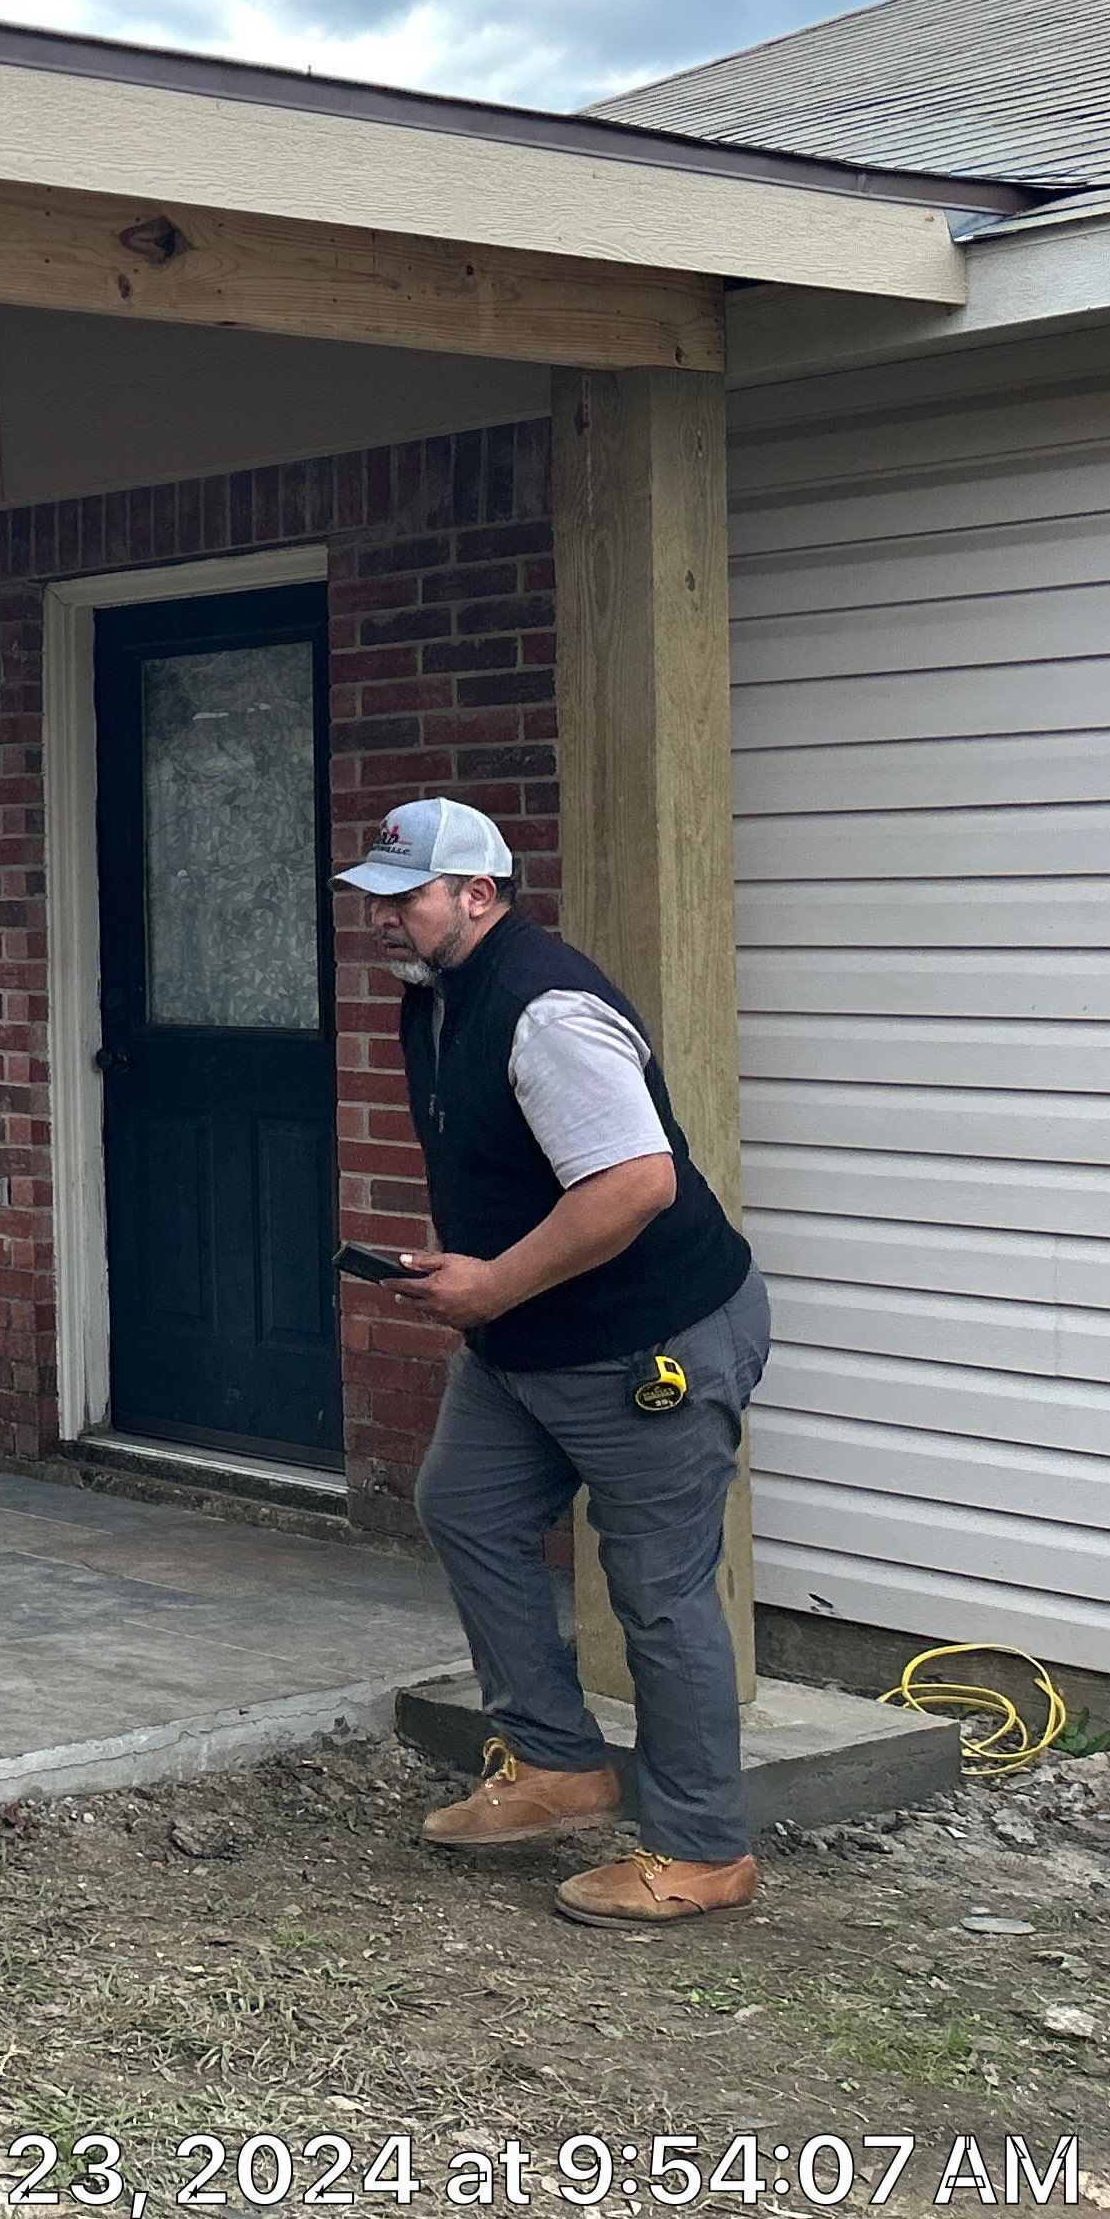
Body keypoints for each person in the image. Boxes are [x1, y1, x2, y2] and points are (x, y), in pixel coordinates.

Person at [335, 797, 772, 1928]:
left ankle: (703, 1850)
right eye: (373, 898)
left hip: (646, 1341)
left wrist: (491, 1284)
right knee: (466, 1507)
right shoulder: (438, 1000)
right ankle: (559, 1767)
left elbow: (636, 1185)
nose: (382, 918)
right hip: (528, 1342)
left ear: (478, 895)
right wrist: (482, 1281)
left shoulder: (547, 1010)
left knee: (658, 1593)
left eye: (405, 897)